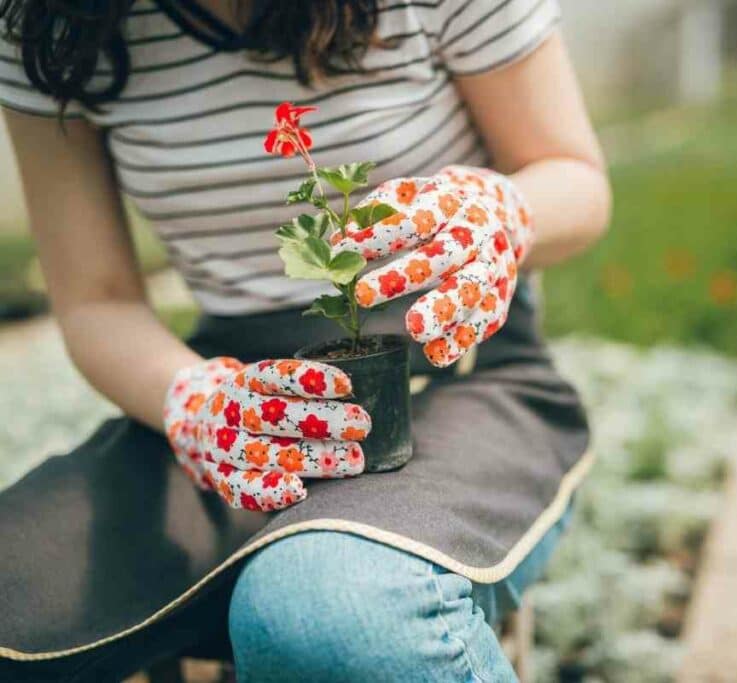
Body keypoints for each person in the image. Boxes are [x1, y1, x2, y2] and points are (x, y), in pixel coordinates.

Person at [0, 0, 609, 681]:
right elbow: (96, 299)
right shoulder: (52, 23)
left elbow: (575, 175)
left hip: (455, 379)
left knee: (331, 608)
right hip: (241, 414)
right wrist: (192, 399)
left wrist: (505, 212)